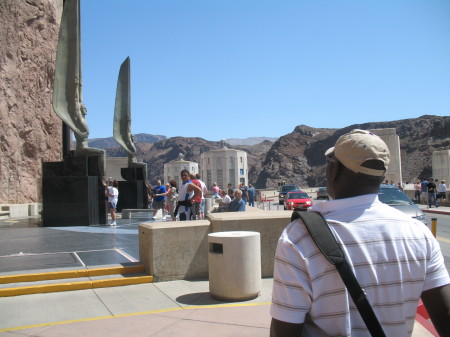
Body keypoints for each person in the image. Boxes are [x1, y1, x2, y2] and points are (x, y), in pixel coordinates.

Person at [270, 129, 450, 337]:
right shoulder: (419, 232)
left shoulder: (298, 237)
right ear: (381, 175)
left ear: (334, 170)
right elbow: (444, 316)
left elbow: (284, 330)